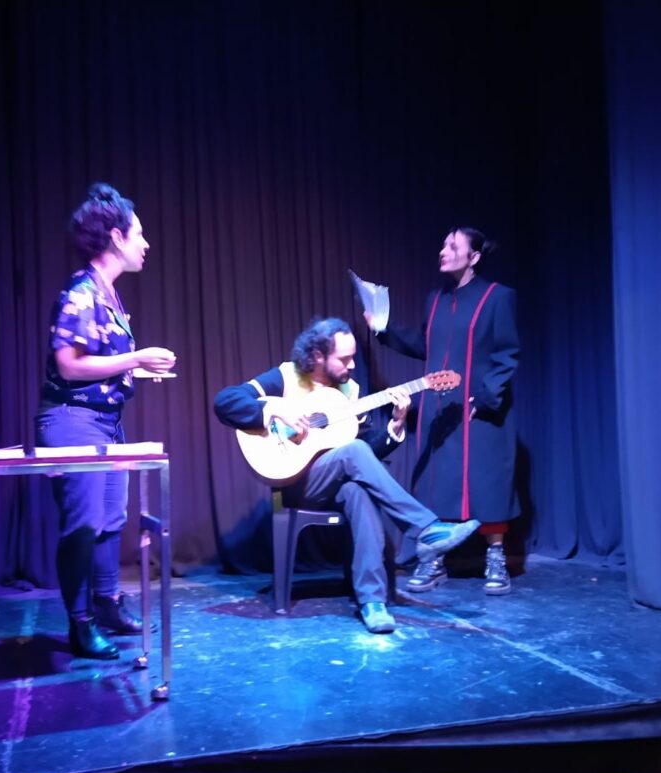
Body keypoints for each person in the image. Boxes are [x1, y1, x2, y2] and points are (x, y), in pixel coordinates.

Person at [214, 316, 480, 634]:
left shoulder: (350, 393)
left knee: (360, 489)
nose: (352, 365)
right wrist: (273, 410)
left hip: (336, 481)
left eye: (353, 357)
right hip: (295, 481)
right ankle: (425, 529)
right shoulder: (286, 377)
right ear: (316, 357)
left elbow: (366, 453)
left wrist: (395, 426)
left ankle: (372, 601)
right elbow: (225, 402)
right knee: (353, 454)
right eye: (344, 358)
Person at [36, 183, 177, 660]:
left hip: (105, 422)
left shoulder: (109, 296)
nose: (146, 243)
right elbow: (68, 365)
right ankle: (79, 624)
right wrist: (134, 357)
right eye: (139, 234)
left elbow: (103, 361)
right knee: (83, 523)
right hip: (73, 422)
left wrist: (136, 367)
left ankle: (106, 604)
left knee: (112, 518)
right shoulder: (81, 292)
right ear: (116, 237)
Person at [367, 227, 520, 595]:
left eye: (453, 246)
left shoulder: (498, 298)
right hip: (441, 406)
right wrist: (384, 329)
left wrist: (484, 398)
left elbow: (507, 353)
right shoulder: (434, 300)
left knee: (488, 482)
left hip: (480, 407)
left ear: (474, 257)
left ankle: (495, 559)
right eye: (443, 244)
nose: (443, 251)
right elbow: (425, 343)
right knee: (435, 482)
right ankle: (432, 559)